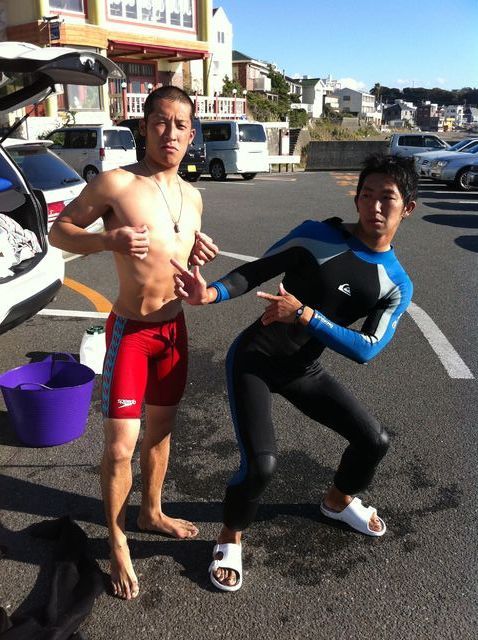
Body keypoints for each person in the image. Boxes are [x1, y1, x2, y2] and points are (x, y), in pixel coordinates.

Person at [171, 154, 418, 592]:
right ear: (356, 199)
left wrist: (305, 315)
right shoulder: (317, 234)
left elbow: (367, 348)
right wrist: (211, 293)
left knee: (373, 440)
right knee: (262, 464)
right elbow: (255, 271)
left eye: (387, 198)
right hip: (255, 359)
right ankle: (230, 536)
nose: (374, 207)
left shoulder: (396, 283)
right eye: (366, 195)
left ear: (408, 208)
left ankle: (337, 501)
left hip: (303, 369)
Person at [49, 86, 218, 600]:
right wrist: (107, 240)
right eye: (161, 122)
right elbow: (60, 231)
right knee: (120, 447)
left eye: (181, 124)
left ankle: (151, 511)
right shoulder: (116, 183)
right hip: (131, 332)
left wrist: (196, 260)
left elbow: (176, 261)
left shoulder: (193, 196)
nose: (171, 133)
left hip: (173, 331)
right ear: (144, 127)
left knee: (160, 433)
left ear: (192, 134)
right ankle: (118, 540)